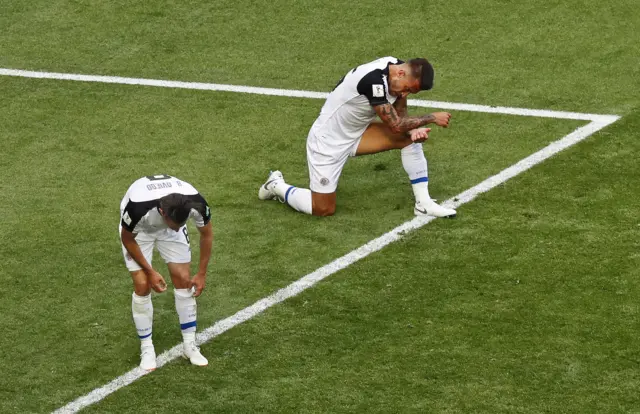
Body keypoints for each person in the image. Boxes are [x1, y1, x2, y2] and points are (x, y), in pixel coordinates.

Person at [258, 56, 456, 218]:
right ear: (401, 72)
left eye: (410, 91)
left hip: (360, 133)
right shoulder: (373, 81)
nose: (405, 93)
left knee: (407, 140)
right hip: (328, 141)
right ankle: (276, 185)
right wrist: (431, 118)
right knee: (322, 209)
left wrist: (412, 131)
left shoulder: (398, 72)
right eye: (407, 88)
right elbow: (396, 125)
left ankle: (424, 204)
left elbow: (400, 117)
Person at [119, 174, 213, 371]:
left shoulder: (196, 203)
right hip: (139, 233)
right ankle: (147, 347)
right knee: (143, 284)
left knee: (184, 280)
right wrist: (150, 271)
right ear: (162, 212)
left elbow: (207, 234)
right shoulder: (138, 207)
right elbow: (128, 239)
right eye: (175, 223)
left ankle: (190, 345)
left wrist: (202, 273)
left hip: (167, 228)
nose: (180, 227)